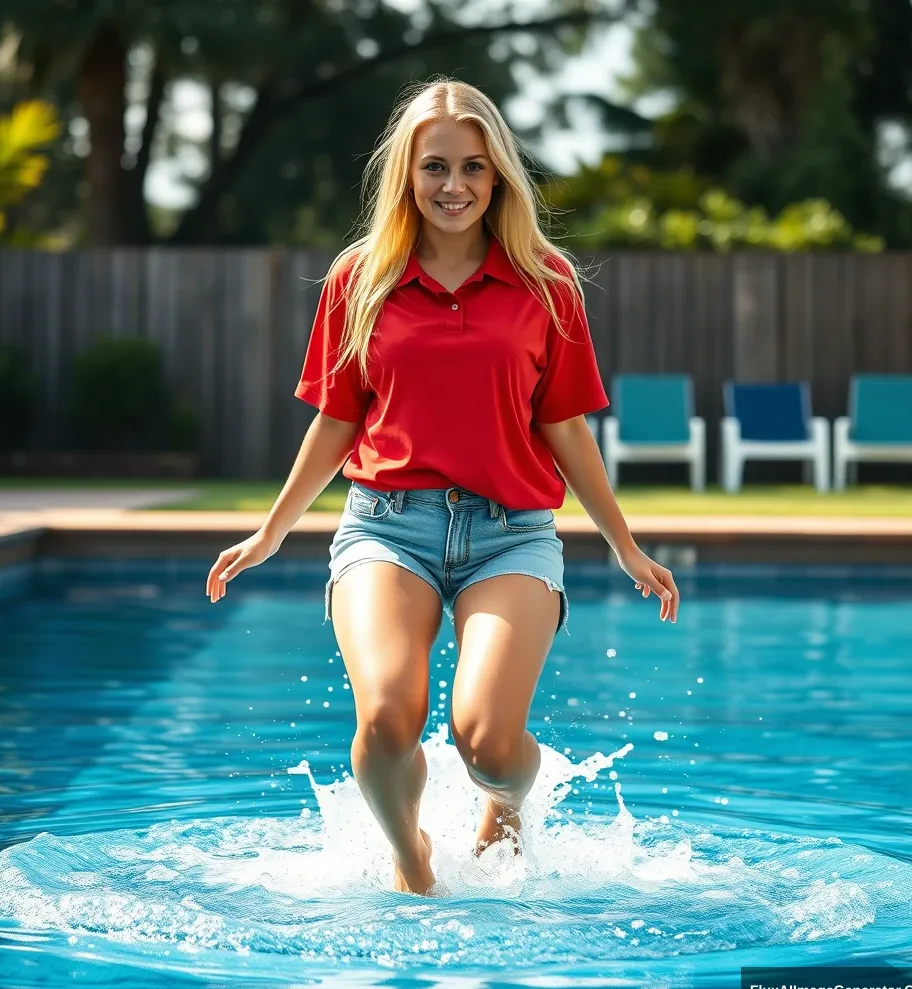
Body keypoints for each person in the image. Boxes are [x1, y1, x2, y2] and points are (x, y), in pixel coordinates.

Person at [205, 78, 680, 896]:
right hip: (387, 528)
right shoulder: (361, 277)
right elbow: (337, 422)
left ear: (498, 177)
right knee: (386, 720)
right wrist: (272, 531)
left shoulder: (547, 282)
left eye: (472, 167)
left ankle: (507, 805)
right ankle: (411, 858)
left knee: (489, 742)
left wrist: (624, 544)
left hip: (514, 533)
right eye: (434, 167)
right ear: (406, 175)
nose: (453, 186)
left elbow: (565, 426)